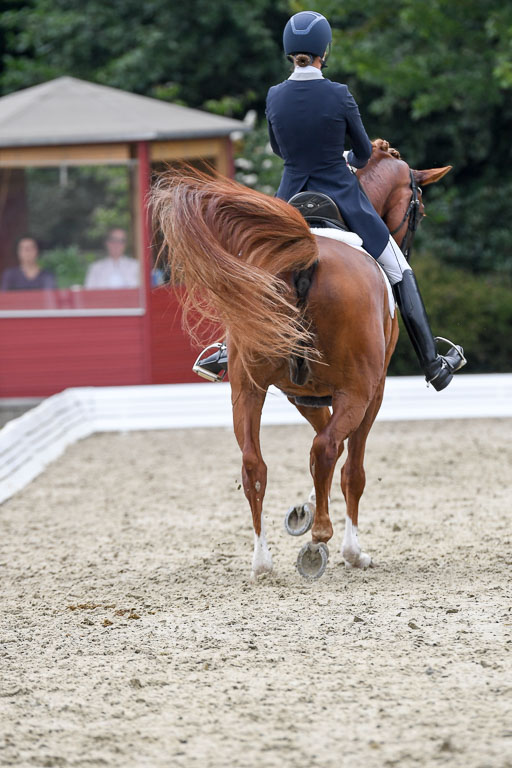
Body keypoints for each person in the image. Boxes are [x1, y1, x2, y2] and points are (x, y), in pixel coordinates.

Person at [194, 10, 465, 390]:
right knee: (399, 270)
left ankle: (224, 350)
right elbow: (360, 152)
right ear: (325, 51)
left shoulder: (274, 96)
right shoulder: (339, 94)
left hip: (290, 198)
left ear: (290, 52)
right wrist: (343, 161)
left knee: (250, 270)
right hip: (342, 194)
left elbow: (278, 148)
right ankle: (434, 365)